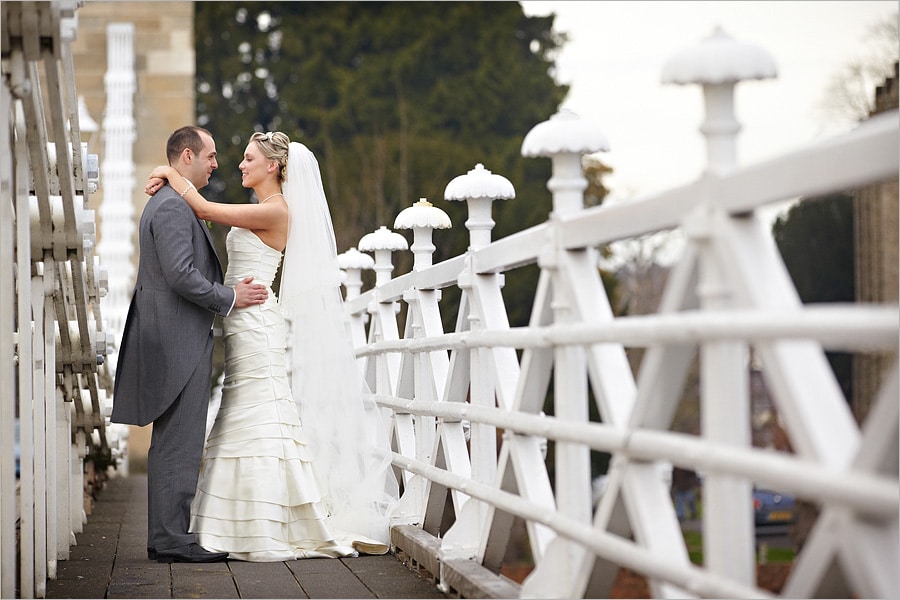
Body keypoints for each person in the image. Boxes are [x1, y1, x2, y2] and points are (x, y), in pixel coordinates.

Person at [144, 131, 398, 561]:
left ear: (273, 167)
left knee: (264, 411)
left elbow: (204, 209)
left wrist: (167, 170)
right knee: (241, 411)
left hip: (256, 321)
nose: (238, 166)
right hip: (240, 320)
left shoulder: (277, 210)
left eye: (247, 159)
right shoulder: (261, 208)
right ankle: (234, 521)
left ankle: (265, 522)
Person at [111, 126, 269, 564]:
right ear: (187, 156)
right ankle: (170, 539)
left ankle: (167, 535)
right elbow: (181, 275)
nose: (216, 163)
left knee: (174, 440)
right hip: (176, 337)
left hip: (170, 334)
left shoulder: (170, 202)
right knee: (180, 439)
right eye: (211, 155)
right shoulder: (173, 210)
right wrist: (231, 298)